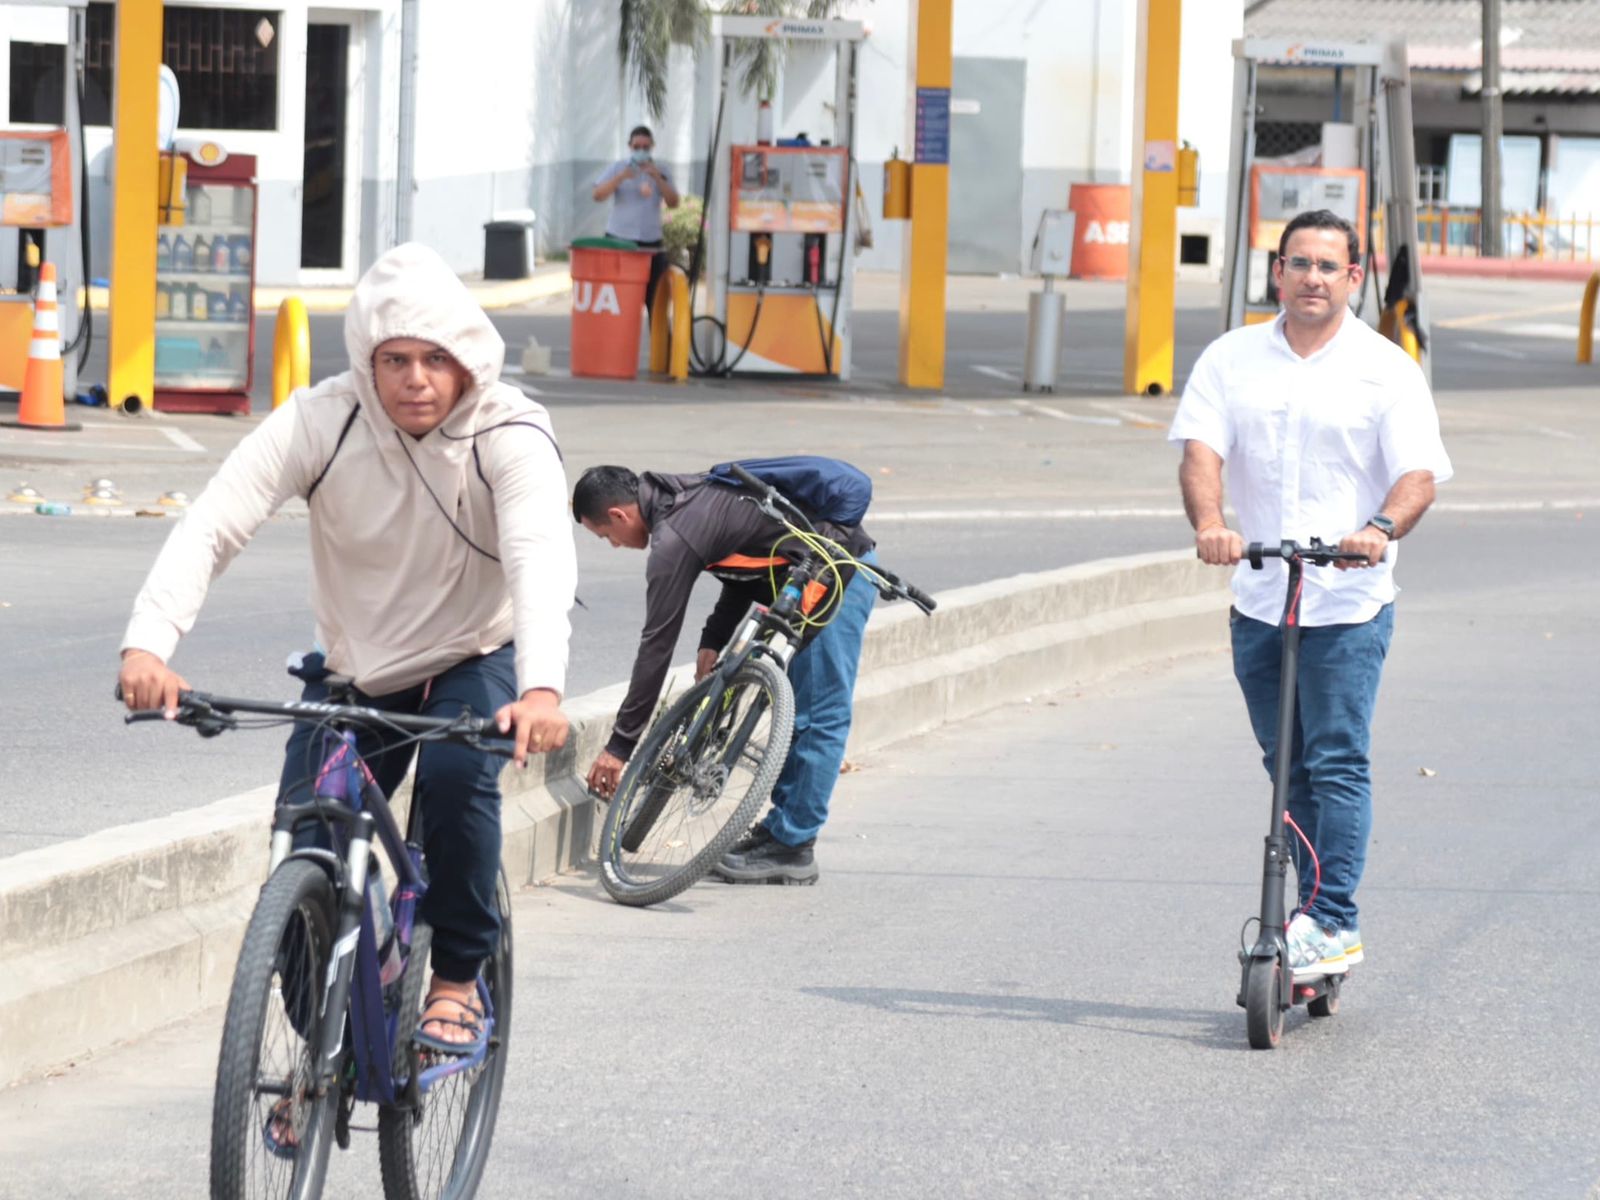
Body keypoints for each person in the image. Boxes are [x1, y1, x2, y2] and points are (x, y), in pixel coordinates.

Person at [118, 242, 577, 1054]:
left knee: (456, 777)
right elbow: (216, 522)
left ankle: (458, 978)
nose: (416, 379)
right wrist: (149, 645)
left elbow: (540, 550)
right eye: (394, 359)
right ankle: (321, 1059)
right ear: (368, 361)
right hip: (358, 671)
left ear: (468, 358)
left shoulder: (509, 429)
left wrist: (540, 688)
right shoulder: (321, 420)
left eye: (437, 358)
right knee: (305, 845)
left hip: (469, 660)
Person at [1168, 208, 1452, 979]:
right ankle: (1312, 910)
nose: (1313, 279)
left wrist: (1379, 528)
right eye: (1299, 264)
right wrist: (1211, 523)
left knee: (1335, 761)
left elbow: (1417, 475)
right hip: (1262, 596)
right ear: (1277, 272)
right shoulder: (1231, 359)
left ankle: (1332, 918)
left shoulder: (1387, 367)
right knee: (1283, 764)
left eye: (1329, 267)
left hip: (1347, 605)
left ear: (1354, 278)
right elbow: (1202, 451)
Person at [572, 463, 877, 885]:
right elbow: (743, 561)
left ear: (620, 515)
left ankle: (793, 847)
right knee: (798, 718)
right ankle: (776, 833)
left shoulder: (672, 537)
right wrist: (712, 638)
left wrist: (620, 748)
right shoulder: (687, 497)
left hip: (839, 576)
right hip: (794, 579)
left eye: (606, 536)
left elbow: (656, 647)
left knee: (816, 717)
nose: (614, 545)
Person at [592, 124, 681, 319]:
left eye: (646, 147)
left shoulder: (661, 170)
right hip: (620, 240)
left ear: (652, 148)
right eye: (637, 146)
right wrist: (621, 178)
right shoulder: (619, 168)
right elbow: (598, 195)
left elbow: (674, 202)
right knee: (619, 300)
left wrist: (658, 178)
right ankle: (618, 345)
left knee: (656, 300)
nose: (641, 151)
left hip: (650, 242)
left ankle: (661, 347)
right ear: (630, 147)